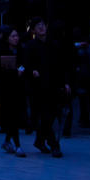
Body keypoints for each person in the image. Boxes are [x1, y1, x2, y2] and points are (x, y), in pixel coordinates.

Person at [23, 17, 70, 158]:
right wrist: (32, 71)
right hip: (39, 87)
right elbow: (26, 65)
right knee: (45, 115)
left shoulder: (54, 44)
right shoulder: (30, 46)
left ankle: (39, 140)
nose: (41, 27)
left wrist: (65, 82)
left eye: (43, 25)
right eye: (37, 26)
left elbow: (62, 65)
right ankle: (54, 144)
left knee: (52, 115)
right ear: (33, 30)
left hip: (54, 85)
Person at [0, 28, 27, 157]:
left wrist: (23, 70)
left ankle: (7, 141)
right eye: (13, 36)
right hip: (6, 89)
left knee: (15, 116)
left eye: (17, 36)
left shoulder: (20, 50)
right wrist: (15, 72)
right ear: (7, 38)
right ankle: (18, 145)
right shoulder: (1, 51)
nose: (16, 38)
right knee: (12, 116)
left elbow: (25, 63)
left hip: (18, 87)